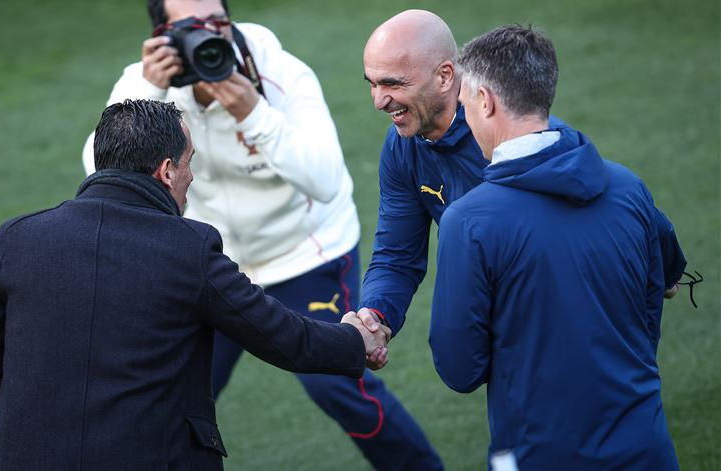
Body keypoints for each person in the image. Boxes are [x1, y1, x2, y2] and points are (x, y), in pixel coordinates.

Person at [81, 1, 443, 468]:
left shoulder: (279, 73)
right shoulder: (145, 87)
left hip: (305, 252)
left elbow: (327, 179)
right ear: (160, 36)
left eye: (217, 22)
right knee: (170, 389)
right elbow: (99, 171)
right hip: (211, 264)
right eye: (190, 26)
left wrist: (254, 113)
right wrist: (149, 84)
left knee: (338, 384)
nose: (209, 36)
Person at [0, 99, 391, 470]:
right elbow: (284, 338)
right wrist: (356, 340)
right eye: (189, 163)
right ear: (166, 171)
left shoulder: (19, 237)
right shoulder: (190, 249)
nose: (192, 177)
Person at [430, 25, 682, 469]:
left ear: (485, 101)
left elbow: (459, 368)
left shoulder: (469, 222)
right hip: (646, 447)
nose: (466, 119)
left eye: (466, 106)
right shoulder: (628, 188)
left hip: (538, 454)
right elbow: (658, 291)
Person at [357, 9, 684, 337]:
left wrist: (667, 266)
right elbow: (397, 254)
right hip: (515, 338)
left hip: (575, 322)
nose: (378, 100)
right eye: (371, 83)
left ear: (444, 76)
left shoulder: (516, 136)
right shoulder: (404, 147)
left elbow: (612, 194)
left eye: (392, 84)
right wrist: (375, 315)